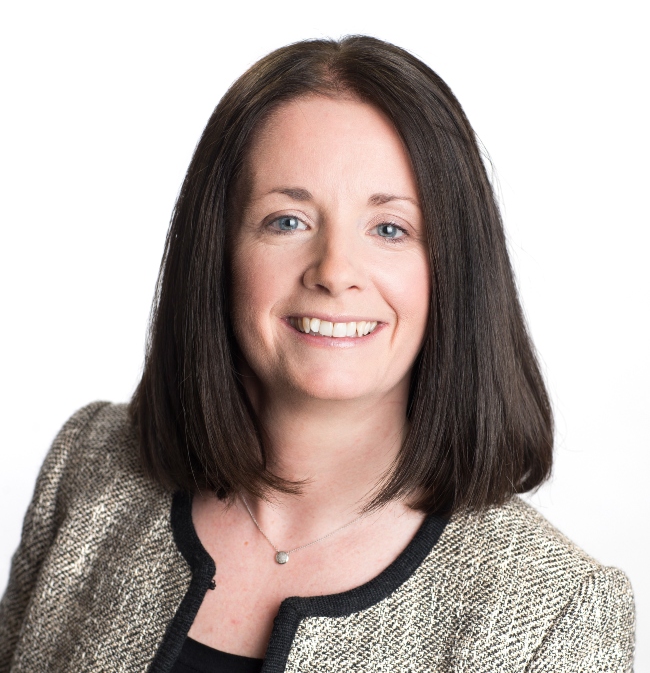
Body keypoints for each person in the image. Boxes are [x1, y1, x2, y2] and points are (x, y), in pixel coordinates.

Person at [0, 36, 635, 672]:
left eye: (390, 229)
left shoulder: (556, 610)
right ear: (217, 251)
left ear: (456, 272)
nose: (334, 271)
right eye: (287, 221)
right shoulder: (89, 469)